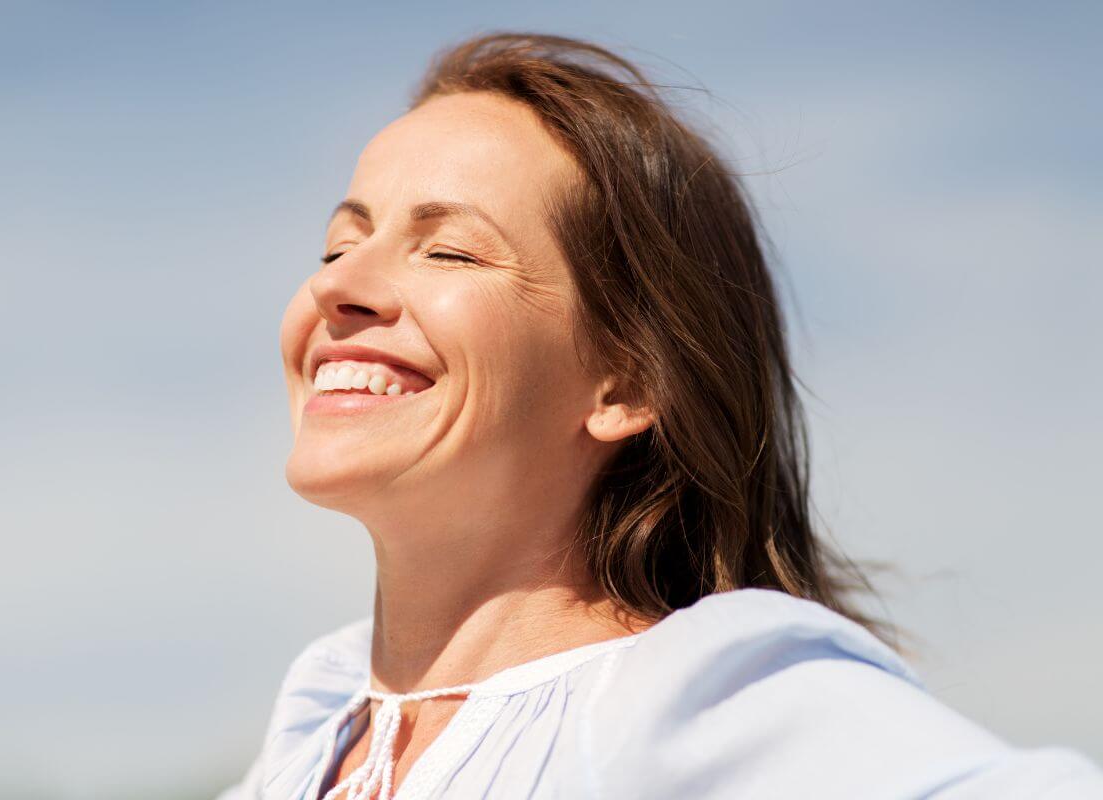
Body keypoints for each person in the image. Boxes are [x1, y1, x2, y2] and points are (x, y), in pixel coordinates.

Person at [217, 32, 1103, 800]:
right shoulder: (317, 727)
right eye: (339, 243)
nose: (337, 285)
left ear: (626, 383)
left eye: (447, 250)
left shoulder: (680, 700)